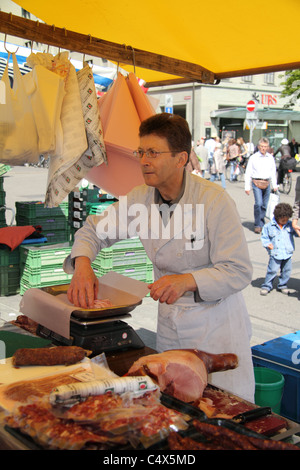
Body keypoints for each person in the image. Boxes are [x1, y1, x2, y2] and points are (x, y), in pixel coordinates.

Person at [63, 113, 255, 402]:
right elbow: (93, 231)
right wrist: (82, 264)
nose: (143, 161)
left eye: (153, 152)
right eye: (141, 152)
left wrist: (189, 280)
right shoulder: (139, 198)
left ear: (181, 159)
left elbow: (238, 270)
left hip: (216, 326)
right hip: (169, 321)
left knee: (223, 406)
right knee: (173, 404)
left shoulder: (214, 201)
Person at [260, 203, 298, 296]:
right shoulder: (269, 226)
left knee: (286, 271)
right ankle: (267, 285)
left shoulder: (289, 225)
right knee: (272, 270)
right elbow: (264, 237)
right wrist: (267, 244)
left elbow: (296, 233)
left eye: (286, 220)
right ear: (277, 217)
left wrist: (296, 228)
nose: (285, 221)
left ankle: (282, 285)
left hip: (287, 253)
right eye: (283, 220)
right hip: (276, 253)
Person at [245, 137, 278, 234]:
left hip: (266, 183)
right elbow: (248, 172)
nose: (263, 148)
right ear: (259, 147)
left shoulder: (270, 158)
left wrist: (274, 184)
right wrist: (247, 187)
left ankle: (261, 222)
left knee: (264, 205)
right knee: (258, 203)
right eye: (262, 146)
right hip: (256, 183)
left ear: (268, 147)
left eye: (265, 146)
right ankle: (257, 224)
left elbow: (273, 171)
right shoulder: (254, 157)